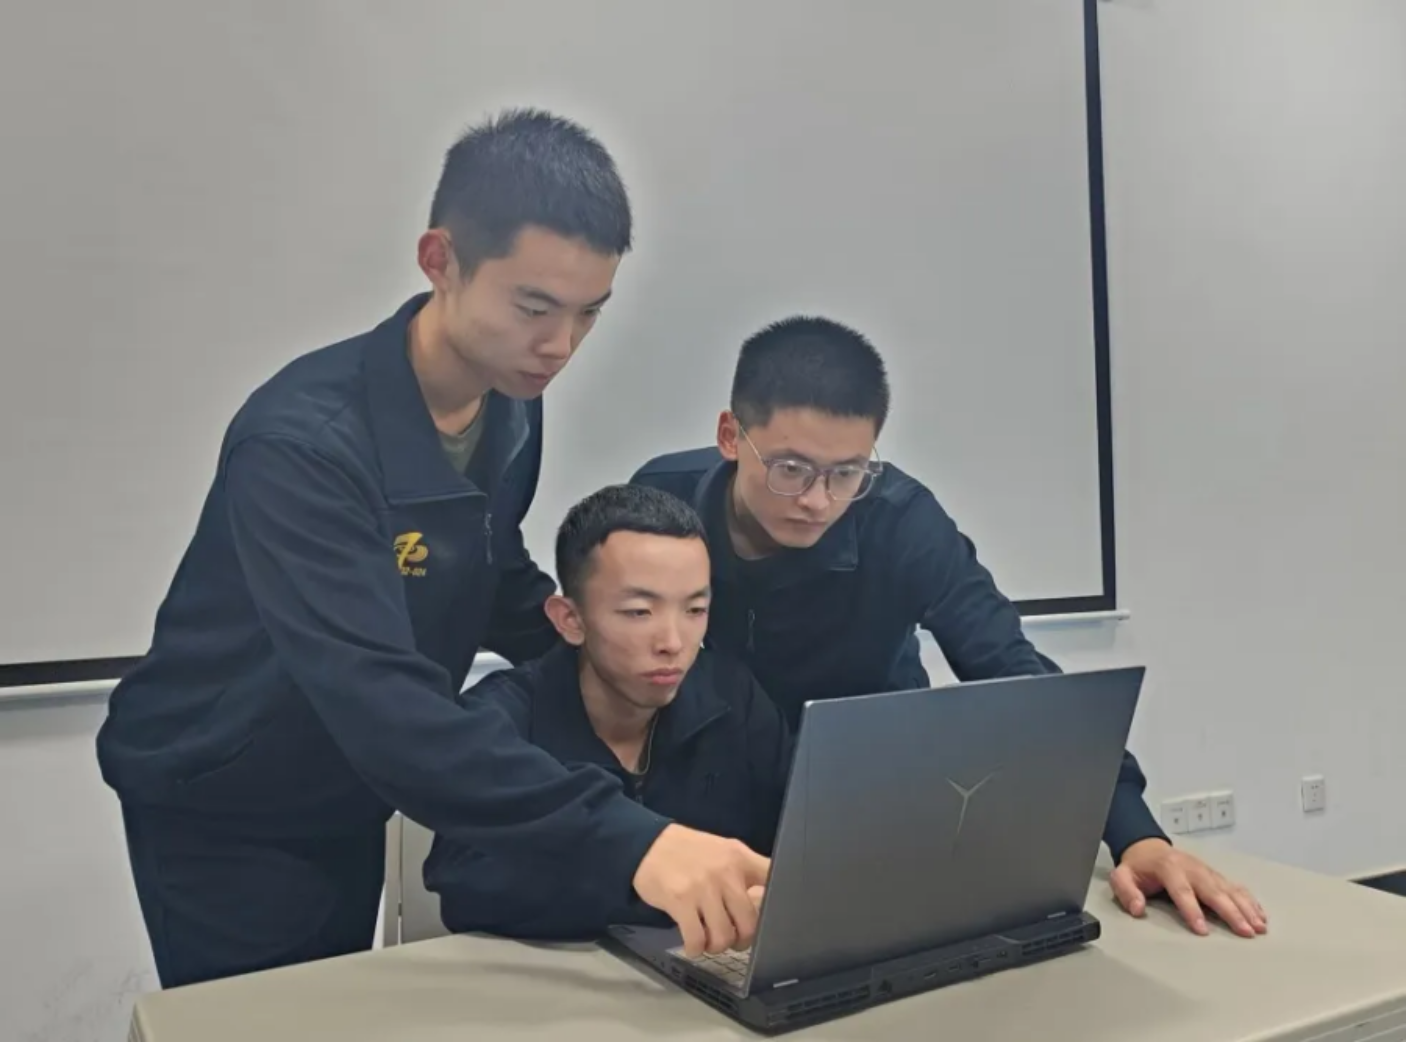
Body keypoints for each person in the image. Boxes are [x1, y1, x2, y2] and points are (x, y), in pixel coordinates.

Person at [94, 109, 767, 989]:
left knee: (338, 1003)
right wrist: (638, 842)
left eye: (587, 314)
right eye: (533, 307)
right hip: (227, 799)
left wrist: (610, 642)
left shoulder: (509, 395)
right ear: (440, 260)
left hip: (345, 785)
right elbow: (383, 702)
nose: (559, 346)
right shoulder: (303, 446)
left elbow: (483, 567)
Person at [630, 315, 1268, 939]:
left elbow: (1016, 674)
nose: (817, 500)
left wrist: (1139, 836)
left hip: (865, 803)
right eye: (790, 469)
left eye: (847, 472)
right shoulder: (658, 504)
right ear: (731, 435)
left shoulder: (901, 522)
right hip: (704, 806)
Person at [424, 483, 791, 939]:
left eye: (695, 609)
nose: (673, 642)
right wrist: (649, 878)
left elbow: (796, 839)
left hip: (701, 967)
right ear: (570, 620)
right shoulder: (502, 721)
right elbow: (466, 889)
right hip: (543, 971)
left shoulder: (731, 696)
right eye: (639, 612)